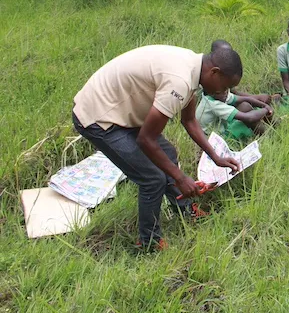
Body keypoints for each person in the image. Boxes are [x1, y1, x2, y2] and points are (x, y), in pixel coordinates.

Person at [72, 45, 242, 250]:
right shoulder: (180, 81)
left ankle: (185, 210)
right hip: (98, 116)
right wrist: (180, 178)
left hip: (122, 111)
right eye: (224, 86)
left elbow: (189, 121)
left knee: (168, 155)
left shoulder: (194, 67)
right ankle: (149, 242)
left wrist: (215, 156)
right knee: (153, 178)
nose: (223, 92)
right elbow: (146, 140)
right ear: (214, 72)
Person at [211, 40, 275, 108]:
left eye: (230, 54)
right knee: (245, 107)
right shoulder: (210, 77)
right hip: (218, 109)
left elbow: (233, 92)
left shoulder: (228, 73)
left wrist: (257, 98)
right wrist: (257, 99)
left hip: (227, 105)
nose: (228, 56)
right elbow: (225, 99)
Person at [195, 88, 272, 142]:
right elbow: (249, 118)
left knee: (244, 106)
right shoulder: (214, 104)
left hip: (219, 128)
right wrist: (266, 110)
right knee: (249, 117)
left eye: (226, 89)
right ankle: (266, 135)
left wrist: (264, 105)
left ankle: (268, 127)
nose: (226, 93)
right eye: (223, 91)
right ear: (213, 92)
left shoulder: (217, 94)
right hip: (215, 139)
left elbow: (246, 99)